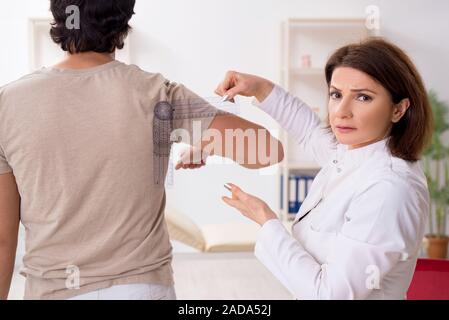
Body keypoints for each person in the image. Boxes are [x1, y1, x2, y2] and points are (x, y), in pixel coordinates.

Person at [0, 0, 283, 300]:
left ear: (59, 16)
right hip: (141, 288)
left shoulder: (9, 104)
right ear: (123, 20)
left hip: (54, 290)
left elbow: (4, 238)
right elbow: (267, 151)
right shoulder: (156, 93)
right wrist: (211, 140)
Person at [216, 38, 433, 299]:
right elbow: (308, 129)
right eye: (336, 94)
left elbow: (329, 295)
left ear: (398, 109)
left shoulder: (390, 189)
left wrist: (267, 221)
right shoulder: (352, 152)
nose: (341, 111)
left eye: (363, 97)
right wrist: (259, 88)